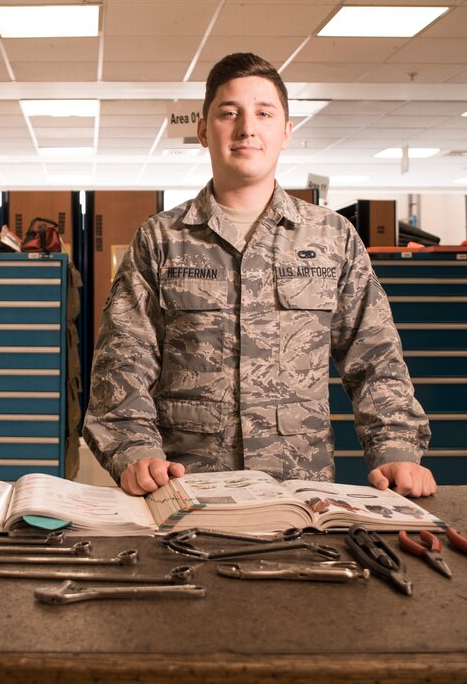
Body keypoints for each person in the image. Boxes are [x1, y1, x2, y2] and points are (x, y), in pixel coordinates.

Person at [83, 52, 436, 499]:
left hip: (299, 491)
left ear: (286, 132)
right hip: (186, 488)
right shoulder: (161, 239)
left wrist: (396, 448)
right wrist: (133, 450)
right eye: (229, 113)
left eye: (264, 114)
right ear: (203, 130)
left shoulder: (332, 237)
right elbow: (122, 360)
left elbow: (375, 357)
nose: (247, 128)